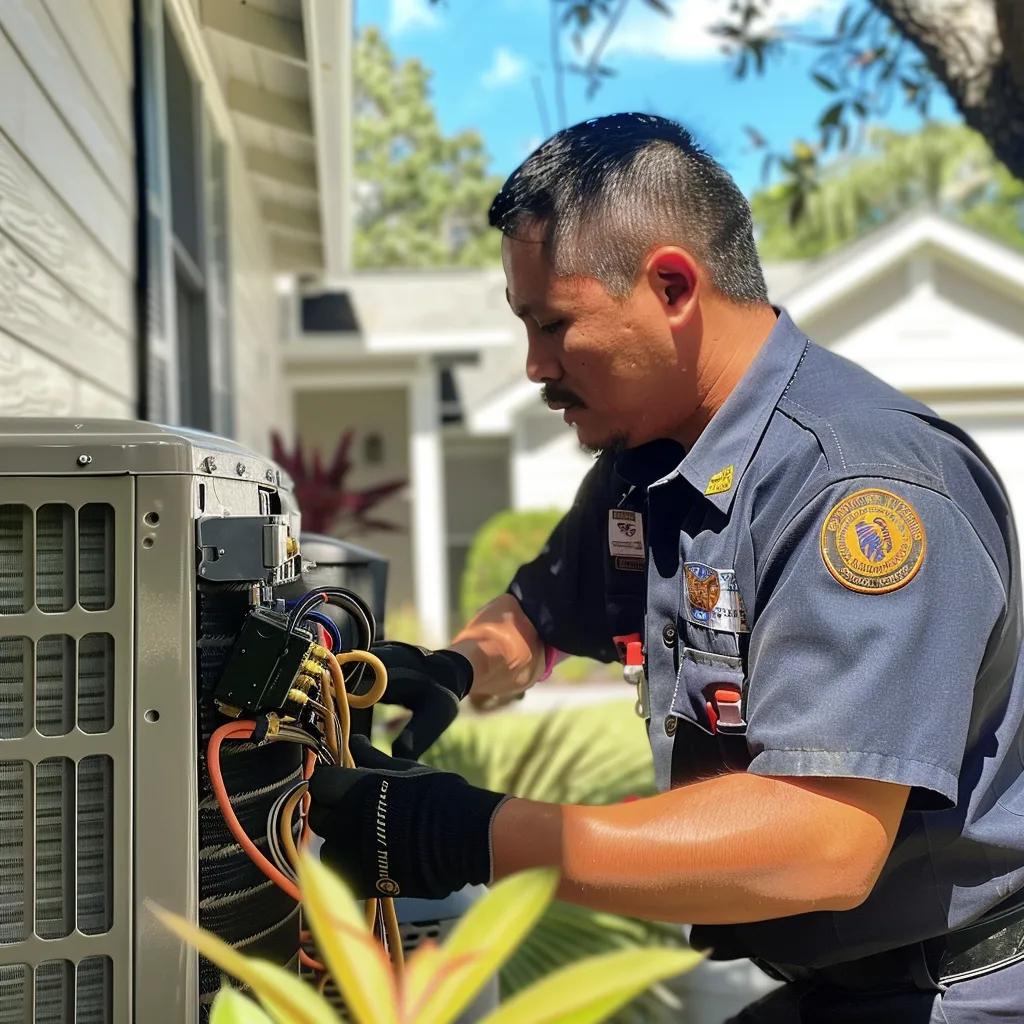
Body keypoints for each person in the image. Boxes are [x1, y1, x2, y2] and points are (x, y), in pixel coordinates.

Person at [308, 114, 1024, 1022]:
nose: (534, 366)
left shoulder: (856, 487)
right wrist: (455, 667)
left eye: (554, 324)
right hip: (827, 982)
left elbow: (821, 842)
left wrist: (465, 833)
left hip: (962, 989)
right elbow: (539, 611)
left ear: (673, 286)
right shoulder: (653, 465)